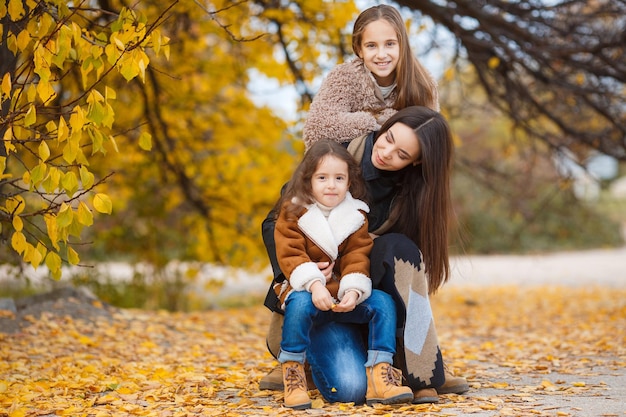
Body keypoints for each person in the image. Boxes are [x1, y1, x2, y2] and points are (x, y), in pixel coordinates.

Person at [261, 106, 469, 405]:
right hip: (312, 288)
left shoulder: (412, 194)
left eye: (402, 154)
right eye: (388, 138)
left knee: (399, 250)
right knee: (348, 389)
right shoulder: (335, 159)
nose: (386, 153)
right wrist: (307, 272)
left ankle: (420, 366)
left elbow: (404, 280)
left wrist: (354, 278)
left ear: (417, 161)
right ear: (385, 127)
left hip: (357, 294)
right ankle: (297, 361)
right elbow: (276, 224)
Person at [273, 140, 413, 409]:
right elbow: (291, 254)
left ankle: (380, 373)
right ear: (308, 180)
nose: (331, 185)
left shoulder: (356, 215)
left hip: (340, 295)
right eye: (322, 178)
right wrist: (314, 283)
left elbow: (357, 255)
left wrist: (353, 289)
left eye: (339, 178)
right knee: (300, 303)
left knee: (383, 302)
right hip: (306, 293)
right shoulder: (292, 211)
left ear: (349, 182)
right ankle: (293, 371)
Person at [302, 4, 439, 150]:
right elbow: (316, 129)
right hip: (349, 166)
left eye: (390, 44)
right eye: (371, 46)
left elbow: (431, 138)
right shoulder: (345, 77)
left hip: (399, 168)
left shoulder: (422, 83)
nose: (381, 54)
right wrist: (374, 121)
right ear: (359, 50)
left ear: (402, 45)